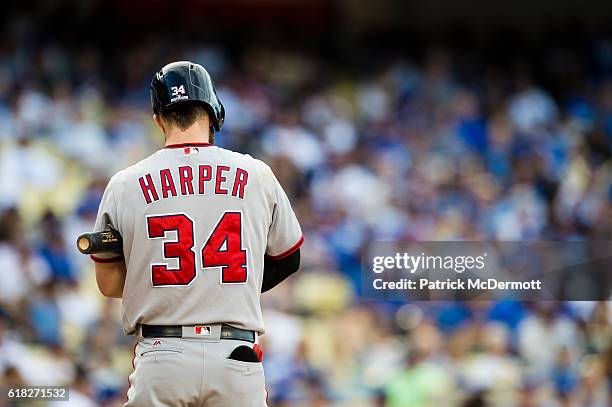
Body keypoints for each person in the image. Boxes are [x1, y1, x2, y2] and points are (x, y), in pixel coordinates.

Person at [90, 61, 303, 406]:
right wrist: (224, 288)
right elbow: (288, 257)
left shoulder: (124, 184)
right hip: (235, 358)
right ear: (214, 111)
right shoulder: (256, 174)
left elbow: (109, 284)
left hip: (162, 356)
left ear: (158, 118)